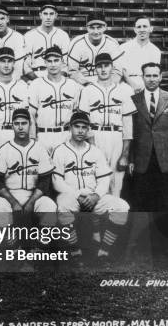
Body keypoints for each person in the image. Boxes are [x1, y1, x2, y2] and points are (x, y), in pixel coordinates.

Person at [53, 112, 129, 262]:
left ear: (88, 130)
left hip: (94, 197)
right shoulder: (60, 150)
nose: (80, 131)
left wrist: (96, 196)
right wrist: (77, 196)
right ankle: (75, 252)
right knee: (62, 206)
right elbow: (57, 182)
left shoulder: (95, 151)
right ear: (70, 128)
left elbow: (104, 180)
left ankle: (103, 252)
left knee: (122, 206)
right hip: (71, 196)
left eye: (84, 127)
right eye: (77, 127)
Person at [0, 109, 57, 246]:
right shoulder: (4, 149)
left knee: (49, 206)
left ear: (30, 124)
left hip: (34, 194)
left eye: (24, 123)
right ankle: (14, 249)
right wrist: (13, 202)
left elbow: (45, 180)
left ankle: (39, 248)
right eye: (16, 123)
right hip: (9, 194)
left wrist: (32, 201)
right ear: (12, 125)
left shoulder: (39, 148)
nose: (20, 127)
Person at [78, 53, 135, 197]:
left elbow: (127, 124)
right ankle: (97, 218)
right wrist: (92, 147)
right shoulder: (87, 90)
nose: (103, 69)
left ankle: (113, 216)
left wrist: (125, 154)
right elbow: (85, 122)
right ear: (95, 69)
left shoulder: (124, 90)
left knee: (116, 181)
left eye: (106, 65)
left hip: (116, 136)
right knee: (96, 180)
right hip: (96, 135)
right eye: (99, 66)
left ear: (112, 67)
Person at [129, 62, 168, 212]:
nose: (151, 79)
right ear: (142, 77)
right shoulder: (134, 100)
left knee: (164, 201)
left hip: (165, 158)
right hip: (142, 158)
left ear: (160, 77)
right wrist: (131, 159)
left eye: (155, 75)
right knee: (141, 202)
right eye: (148, 75)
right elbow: (131, 133)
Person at [0, 47, 30, 161]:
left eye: (9, 61)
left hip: (15, 133)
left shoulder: (22, 86)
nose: (6, 65)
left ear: (14, 63)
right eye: (3, 61)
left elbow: (27, 115)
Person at [28, 46, 81, 154]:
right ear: (45, 63)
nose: (53, 64)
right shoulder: (36, 84)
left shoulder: (73, 85)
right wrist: (32, 139)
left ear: (62, 61)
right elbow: (31, 116)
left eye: (56, 60)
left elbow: (77, 115)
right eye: (49, 61)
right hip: (43, 135)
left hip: (66, 134)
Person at [67, 12, 122, 85]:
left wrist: (107, 84)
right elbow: (72, 72)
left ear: (105, 27)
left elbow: (117, 72)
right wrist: (87, 84)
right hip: (82, 82)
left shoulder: (112, 43)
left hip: (107, 81)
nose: (96, 32)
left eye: (99, 27)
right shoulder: (77, 43)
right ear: (87, 28)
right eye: (92, 28)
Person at [24, 4, 70, 80]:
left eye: (51, 14)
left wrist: (57, 79)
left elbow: (66, 64)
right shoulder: (29, 35)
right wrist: (37, 81)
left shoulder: (63, 35)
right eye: (45, 14)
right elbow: (26, 65)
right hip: (37, 74)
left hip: (58, 76)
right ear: (40, 15)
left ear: (56, 15)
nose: (48, 17)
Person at [119, 16, 162, 92]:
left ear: (151, 29)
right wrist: (133, 85)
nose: (142, 30)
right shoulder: (124, 48)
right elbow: (123, 72)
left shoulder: (155, 51)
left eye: (145, 26)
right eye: (139, 27)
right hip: (127, 83)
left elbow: (154, 73)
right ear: (135, 30)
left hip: (147, 83)